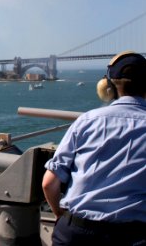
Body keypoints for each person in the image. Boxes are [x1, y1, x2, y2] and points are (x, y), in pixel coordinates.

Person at [42, 50, 146, 246]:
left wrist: (60, 215)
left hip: (74, 233)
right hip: (134, 236)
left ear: (109, 88)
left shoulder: (86, 121)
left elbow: (49, 183)